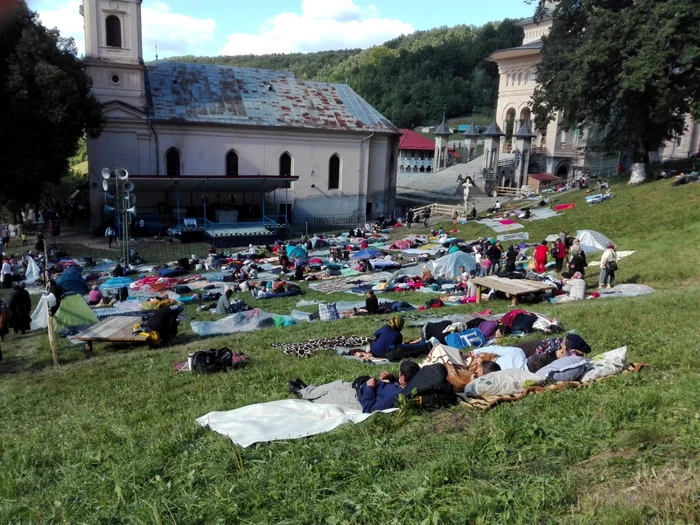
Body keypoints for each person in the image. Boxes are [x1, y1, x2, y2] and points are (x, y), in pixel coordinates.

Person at [288, 359, 420, 413]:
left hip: (357, 399)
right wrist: (391, 378)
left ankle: (303, 393)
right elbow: (398, 384)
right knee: (336, 384)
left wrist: (370, 387)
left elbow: (369, 408)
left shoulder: (395, 396)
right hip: (358, 387)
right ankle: (307, 390)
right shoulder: (406, 385)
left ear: (403, 377)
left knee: (329, 395)